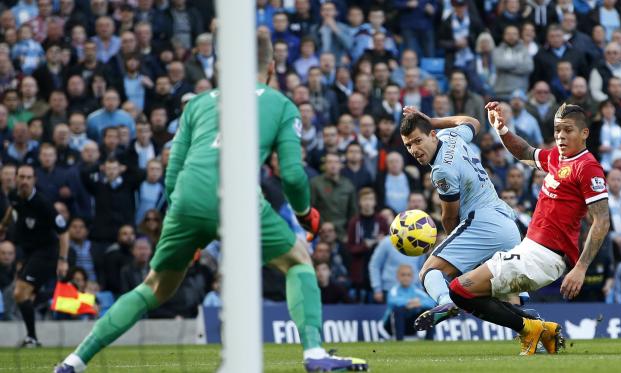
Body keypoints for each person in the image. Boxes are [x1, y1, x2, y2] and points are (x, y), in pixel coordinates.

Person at [55, 32, 366, 373]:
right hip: (235, 197)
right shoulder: (280, 105)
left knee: (154, 287)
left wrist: (186, 221)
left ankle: (73, 362)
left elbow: (172, 170)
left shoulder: (199, 103)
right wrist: (305, 213)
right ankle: (314, 354)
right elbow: (292, 175)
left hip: (186, 199)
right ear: (273, 67)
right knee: (298, 262)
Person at [435, 102, 611, 355]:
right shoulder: (556, 157)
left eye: (568, 130)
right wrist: (502, 129)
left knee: (460, 290)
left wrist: (581, 268)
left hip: (545, 256)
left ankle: (531, 329)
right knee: (472, 291)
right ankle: (541, 332)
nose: (561, 136)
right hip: (529, 249)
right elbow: (525, 151)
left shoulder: (588, 168)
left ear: (584, 133)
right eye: (557, 130)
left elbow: (602, 220)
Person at [399, 107, 521, 331]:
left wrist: (450, 243)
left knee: (429, 272)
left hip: (483, 224)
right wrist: (433, 120)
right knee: (492, 292)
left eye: (418, 141)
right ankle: (537, 331)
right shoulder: (451, 135)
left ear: (432, 135)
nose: (414, 149)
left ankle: (446, 302)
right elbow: (472, 121)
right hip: (506, 223)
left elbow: (450, 215)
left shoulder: (441, 171)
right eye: (408, 145)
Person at [1, 164, 69, 347]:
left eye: (28, 178)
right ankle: (33, 334)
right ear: (16, 179)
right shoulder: (15, 196)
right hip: (30, 253)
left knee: (20, 292)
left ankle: (32, 337)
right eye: (21, 177)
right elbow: (11, 209)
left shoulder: (43, 204)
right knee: (24, 295)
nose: (24, 181)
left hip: (47, 253)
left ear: (34, 180)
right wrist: (4, 225)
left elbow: (63, 233)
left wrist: (63, 260)